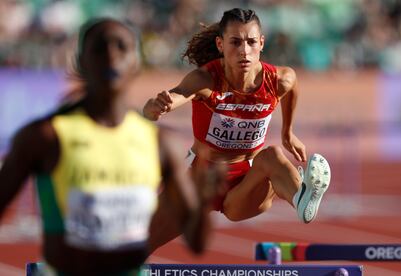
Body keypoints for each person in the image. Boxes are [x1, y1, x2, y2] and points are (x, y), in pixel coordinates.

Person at [0, 18, 219, 275]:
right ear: (82, 61)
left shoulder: (159, 143)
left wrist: (204, 201)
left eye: (121, 47)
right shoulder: (45, 137)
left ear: (136, 63)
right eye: (100, 48)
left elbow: (196, 242)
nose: (111, 55)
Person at [144, 8, 331, 252]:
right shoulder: (205, 79)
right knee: (142, 243)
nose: (244, 51)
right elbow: (176, 96)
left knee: (273, 155)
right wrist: (155, 107)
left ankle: (302, 198)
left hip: (246, 183)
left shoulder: (277, 80)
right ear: (220, 44)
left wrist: (288, 133)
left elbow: (292, 84)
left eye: (251, 42)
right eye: (235, 42)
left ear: (261, 43)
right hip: (201, 179)